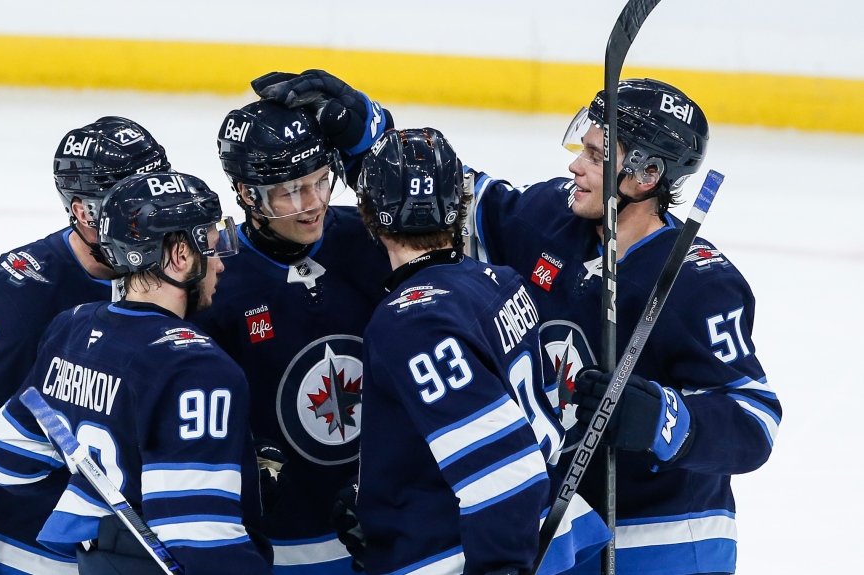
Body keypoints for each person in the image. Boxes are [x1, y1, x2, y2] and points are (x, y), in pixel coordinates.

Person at [261, 73, 782, 575]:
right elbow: (440, 199)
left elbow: (755, 420)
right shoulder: (553, 215)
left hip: (664, 538)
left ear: (646, 177)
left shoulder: (698, 282)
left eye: (598, 156)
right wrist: (363, 132)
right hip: (561, 527)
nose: (576, 165)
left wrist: (664, 419)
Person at [0, 117, 170, 575]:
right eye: (129, 204)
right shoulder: (21, 294)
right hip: (35, 553)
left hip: (150, 549)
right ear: (83, 211)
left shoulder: (180, 269)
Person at [0, 170, 273, 575]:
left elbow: (7, 454)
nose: (220, 262)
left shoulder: (72, 327)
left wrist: (99, 519)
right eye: (209, 242)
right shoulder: (197, 367)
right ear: (180, 255)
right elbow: (202, 540)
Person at [353, 127, 608, 575]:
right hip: (542, 531)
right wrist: (384, 498)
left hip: (457, 552)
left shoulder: (410, 321)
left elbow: (503, 473)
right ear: (459, 205)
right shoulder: (502, 281)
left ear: (369, 213)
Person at [185, 86, 393, 573]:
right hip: (280, 541)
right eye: (289, 191)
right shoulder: (215, 280)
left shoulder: (370, 240)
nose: (311, 204)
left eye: (320, 181)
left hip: (387, 518)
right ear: (244, 194)